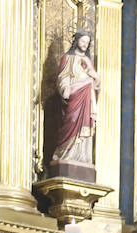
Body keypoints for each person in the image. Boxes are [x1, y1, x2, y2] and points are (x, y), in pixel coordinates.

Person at [51, 32, 100, 166]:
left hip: (86, 97)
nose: (85, 44)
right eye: (83, 41)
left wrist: (95, 78)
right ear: (77, 41)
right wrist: (65, 88)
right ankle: (66, 154)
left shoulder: (88, 61)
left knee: (85, 124)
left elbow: (96, 82)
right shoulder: (68, 58)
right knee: (72, 120)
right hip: (74, 96)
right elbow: (62, 77)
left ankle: (82, 156)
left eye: (87, 42)